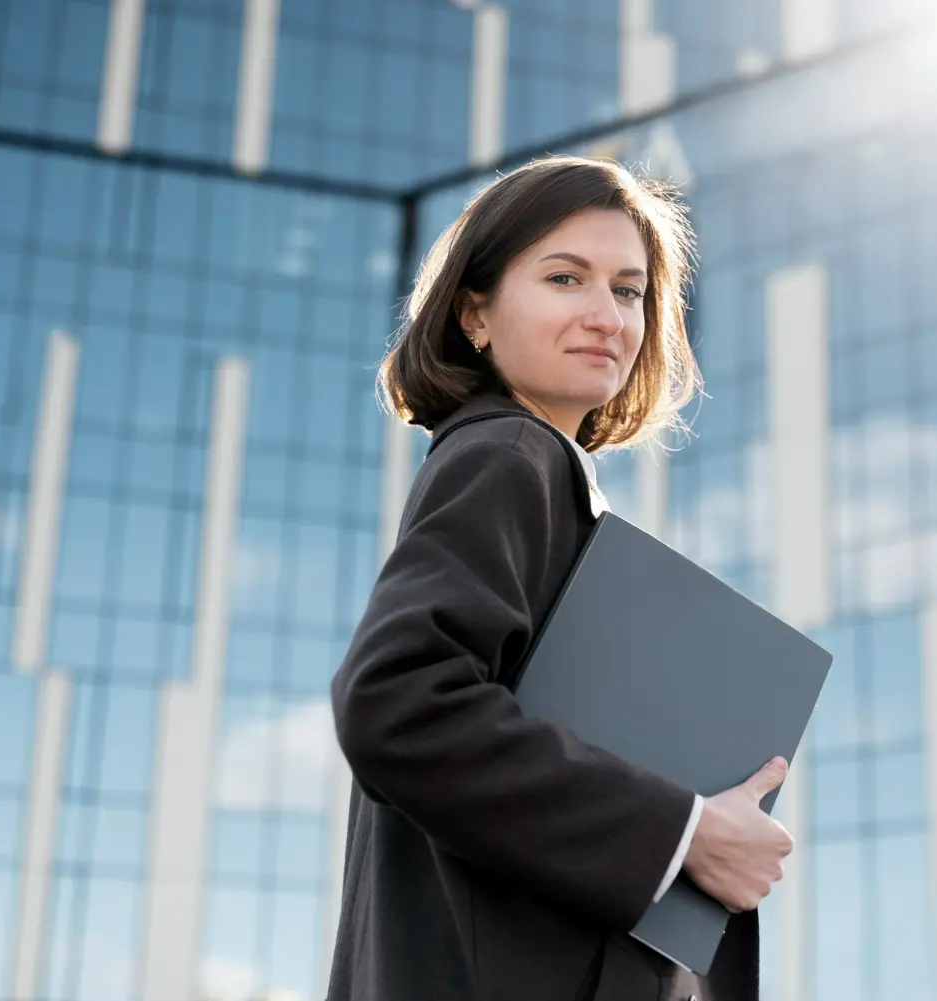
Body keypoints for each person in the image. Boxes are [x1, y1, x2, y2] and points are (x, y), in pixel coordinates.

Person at [326, 155, 795, 1001]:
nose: (605, 316)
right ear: (474, 312)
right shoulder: (510, 454)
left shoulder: (542, 475)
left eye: (628, 290)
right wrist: (683, 831)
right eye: (564, 277)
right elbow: (397, 701)